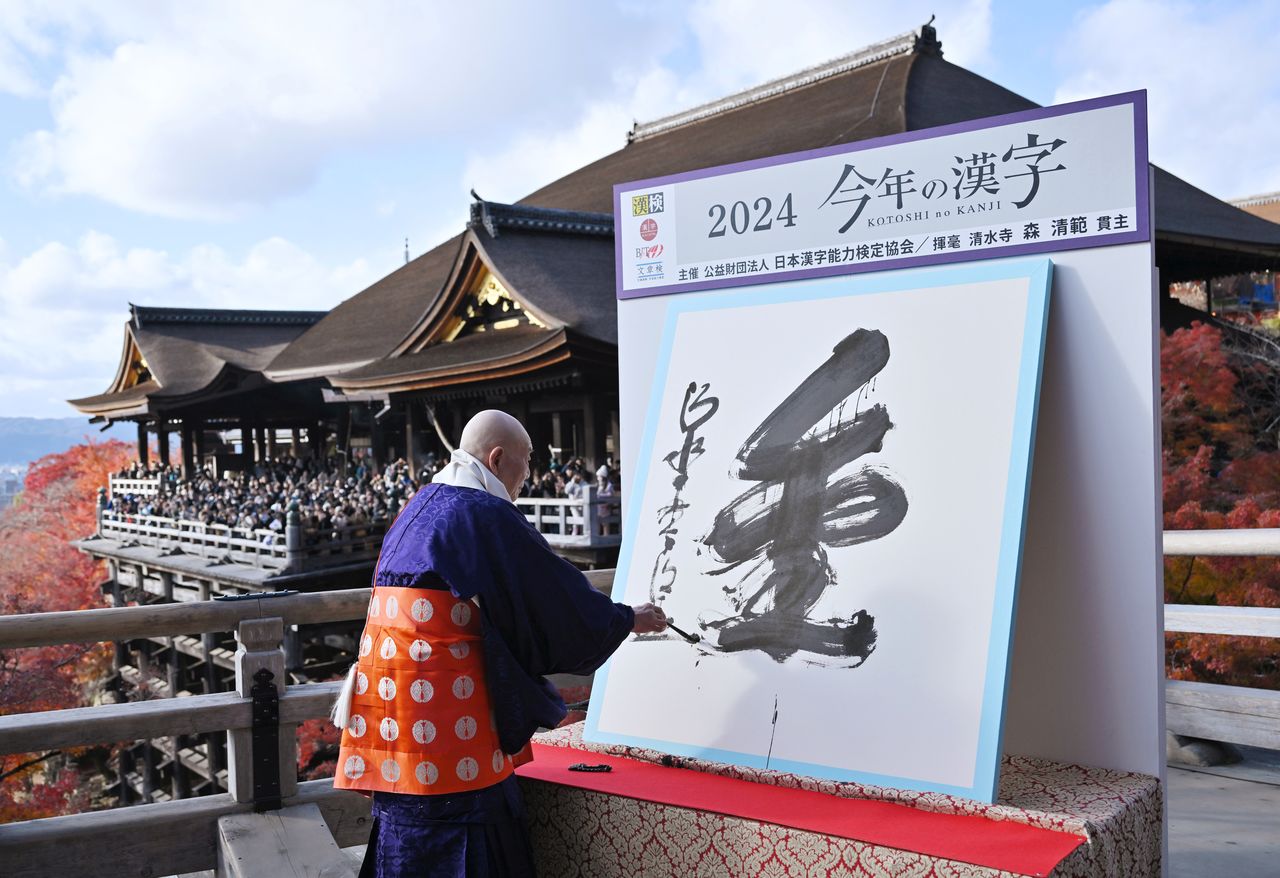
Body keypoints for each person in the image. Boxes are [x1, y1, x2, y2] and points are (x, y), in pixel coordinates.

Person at [333, 410, 667, 877]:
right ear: (496, 458)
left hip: (391, 705)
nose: (528, 476)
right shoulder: (484, 513)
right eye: (527, 462)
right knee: (467, 821)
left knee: (407, 822)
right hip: (443, 712)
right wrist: (627, 618)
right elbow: (554, 597)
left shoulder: (422, 503)